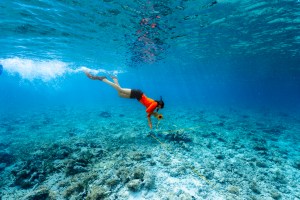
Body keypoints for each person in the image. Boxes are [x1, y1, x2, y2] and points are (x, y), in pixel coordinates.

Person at [84, 71, 164, 129]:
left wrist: (152, 118)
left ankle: (115, 79)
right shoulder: (155, 104)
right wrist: (154, 117)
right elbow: (148, 111)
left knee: (120, 94)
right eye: (160, 108)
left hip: (137, 96)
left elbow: (149, 112)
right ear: (160, 105)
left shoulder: (154, 105)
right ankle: (104, 79)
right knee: (121, 90)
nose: (159, 109)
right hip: (138, 94)